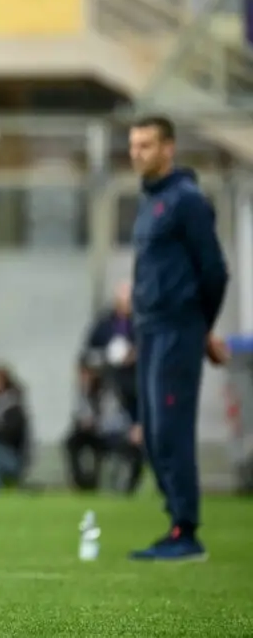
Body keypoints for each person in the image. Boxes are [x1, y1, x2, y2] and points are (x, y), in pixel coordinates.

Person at [127, 115, 229, 561]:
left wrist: (201, 327)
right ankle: (175, 526)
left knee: (171, 429)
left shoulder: (187, 201)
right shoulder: (151, 201)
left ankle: (187, 532)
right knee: (152, 433)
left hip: (176, 330)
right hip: (150, 330)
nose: (137, 153)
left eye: (146, 145)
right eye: (133, 145)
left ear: (168, 148)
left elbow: (214, 271)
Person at [65, 280, 144, 494]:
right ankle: (85, 486)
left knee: (134, 443)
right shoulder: (103, 325)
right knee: (75, 440)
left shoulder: (142, 326)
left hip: (129, 401)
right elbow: (86, 354)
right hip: (103, 411)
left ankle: (126, 489)